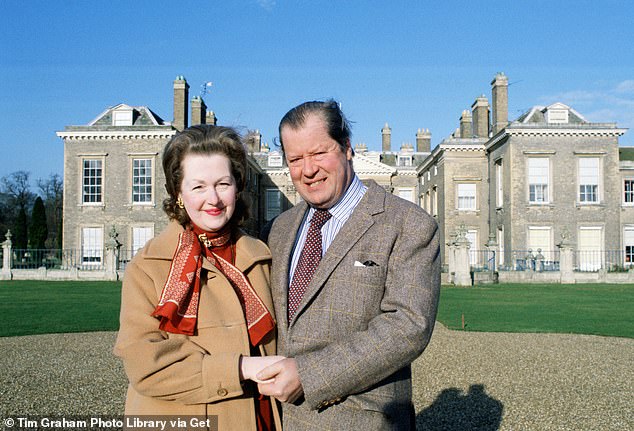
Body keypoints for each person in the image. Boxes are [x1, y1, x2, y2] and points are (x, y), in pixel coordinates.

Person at [257, 100, 441, 430]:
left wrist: (309, 375)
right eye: (295, 159)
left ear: (347, 148)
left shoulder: (409, 223)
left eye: (318, 153)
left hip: (362, 420)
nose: (307, 169)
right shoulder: (277, 230)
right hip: (280, 419)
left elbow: (408, 326)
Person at [114, 125, 283, 430]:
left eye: (223, 183)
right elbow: (146, 366)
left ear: (238, 186)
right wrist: (241, 368)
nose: (214, 199)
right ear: (178, 193)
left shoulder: (261, 257)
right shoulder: (148, 266)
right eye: (198, 187)